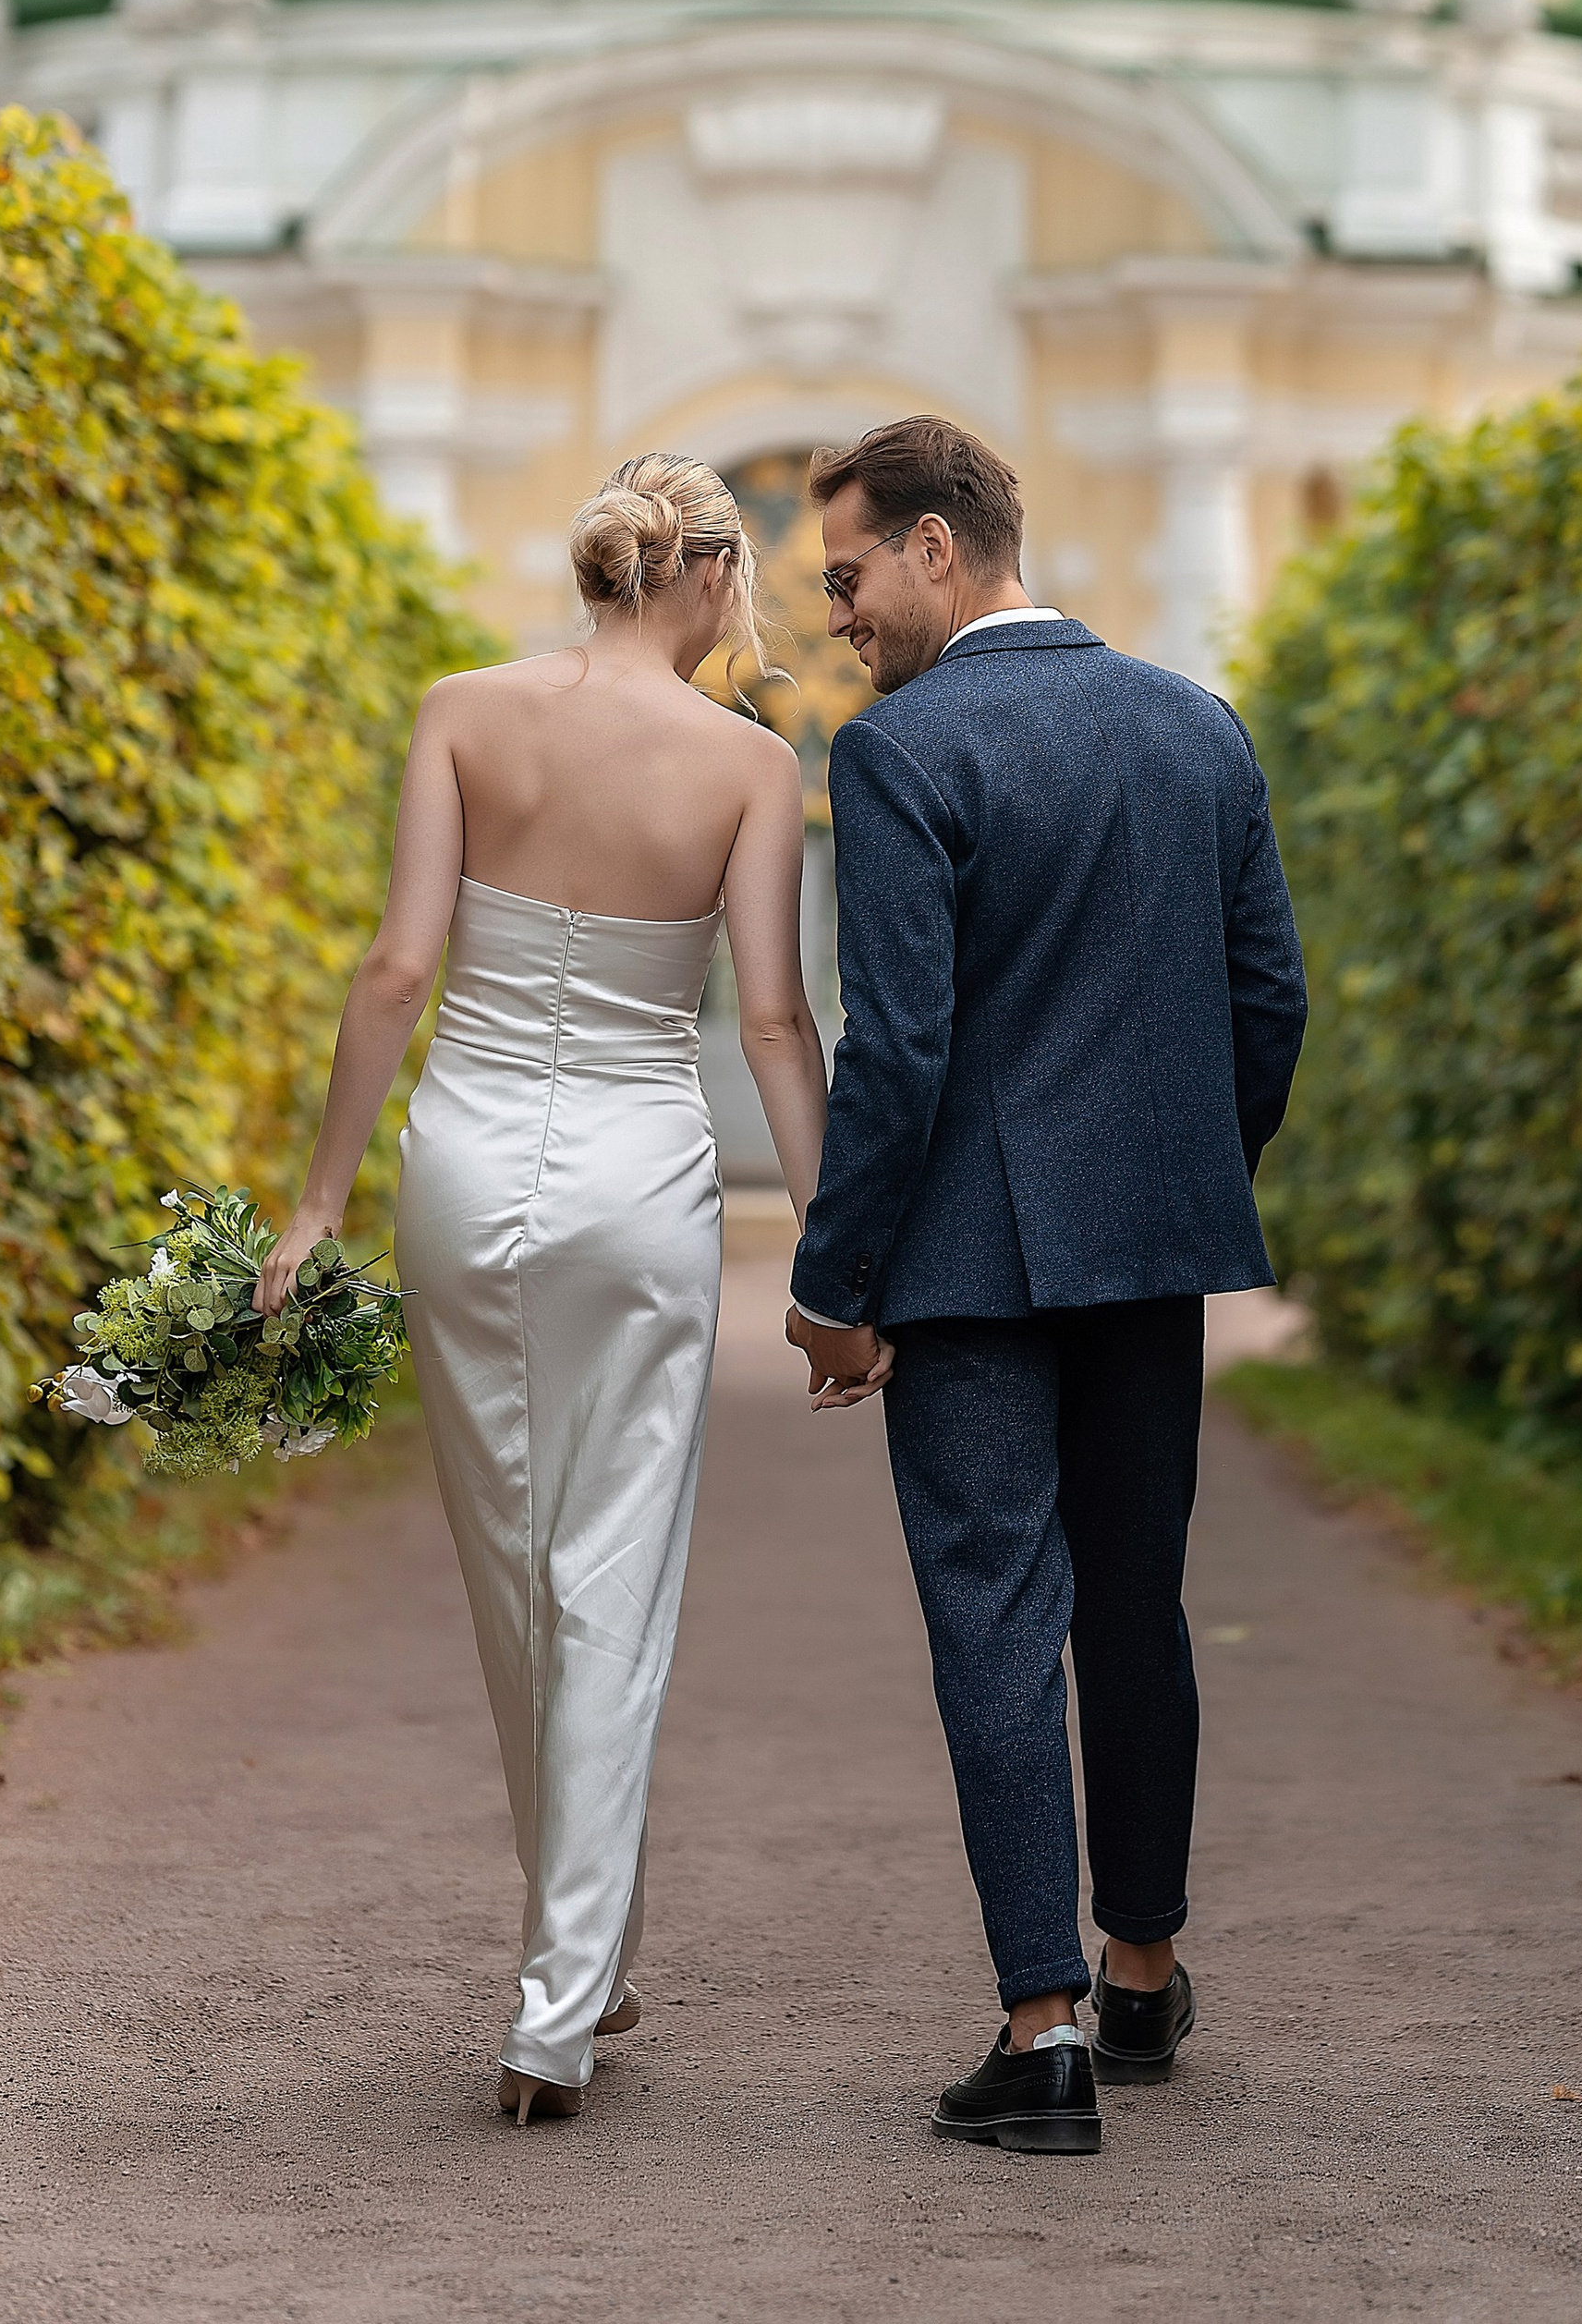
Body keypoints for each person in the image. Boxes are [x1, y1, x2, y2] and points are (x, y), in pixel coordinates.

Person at [260, 455, 837, 2125]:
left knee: (514, 1562)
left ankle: (576, 1959)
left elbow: (396, 970)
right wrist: (834, 1246)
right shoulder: (744, 762)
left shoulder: (461, 710)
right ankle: (559, 2003)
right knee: (613, 1579)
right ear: (717, 575)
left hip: (463, 1167)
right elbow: (778, 1028)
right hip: (636, 1185)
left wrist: (316, 1202)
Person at [785, 414, 1307, 2158]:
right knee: (1136, 1601)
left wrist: (838, 1279)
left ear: (940, 545)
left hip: (969, 1268)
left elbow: (904, 1049)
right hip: (1150, 1255)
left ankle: (1045, 2031)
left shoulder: (902, 754)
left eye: (850, 574)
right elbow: (1268, 1007)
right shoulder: (1197, 727)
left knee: (997, 1614)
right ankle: (1142, 1970)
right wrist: (1173, 1189)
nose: (841, 616)